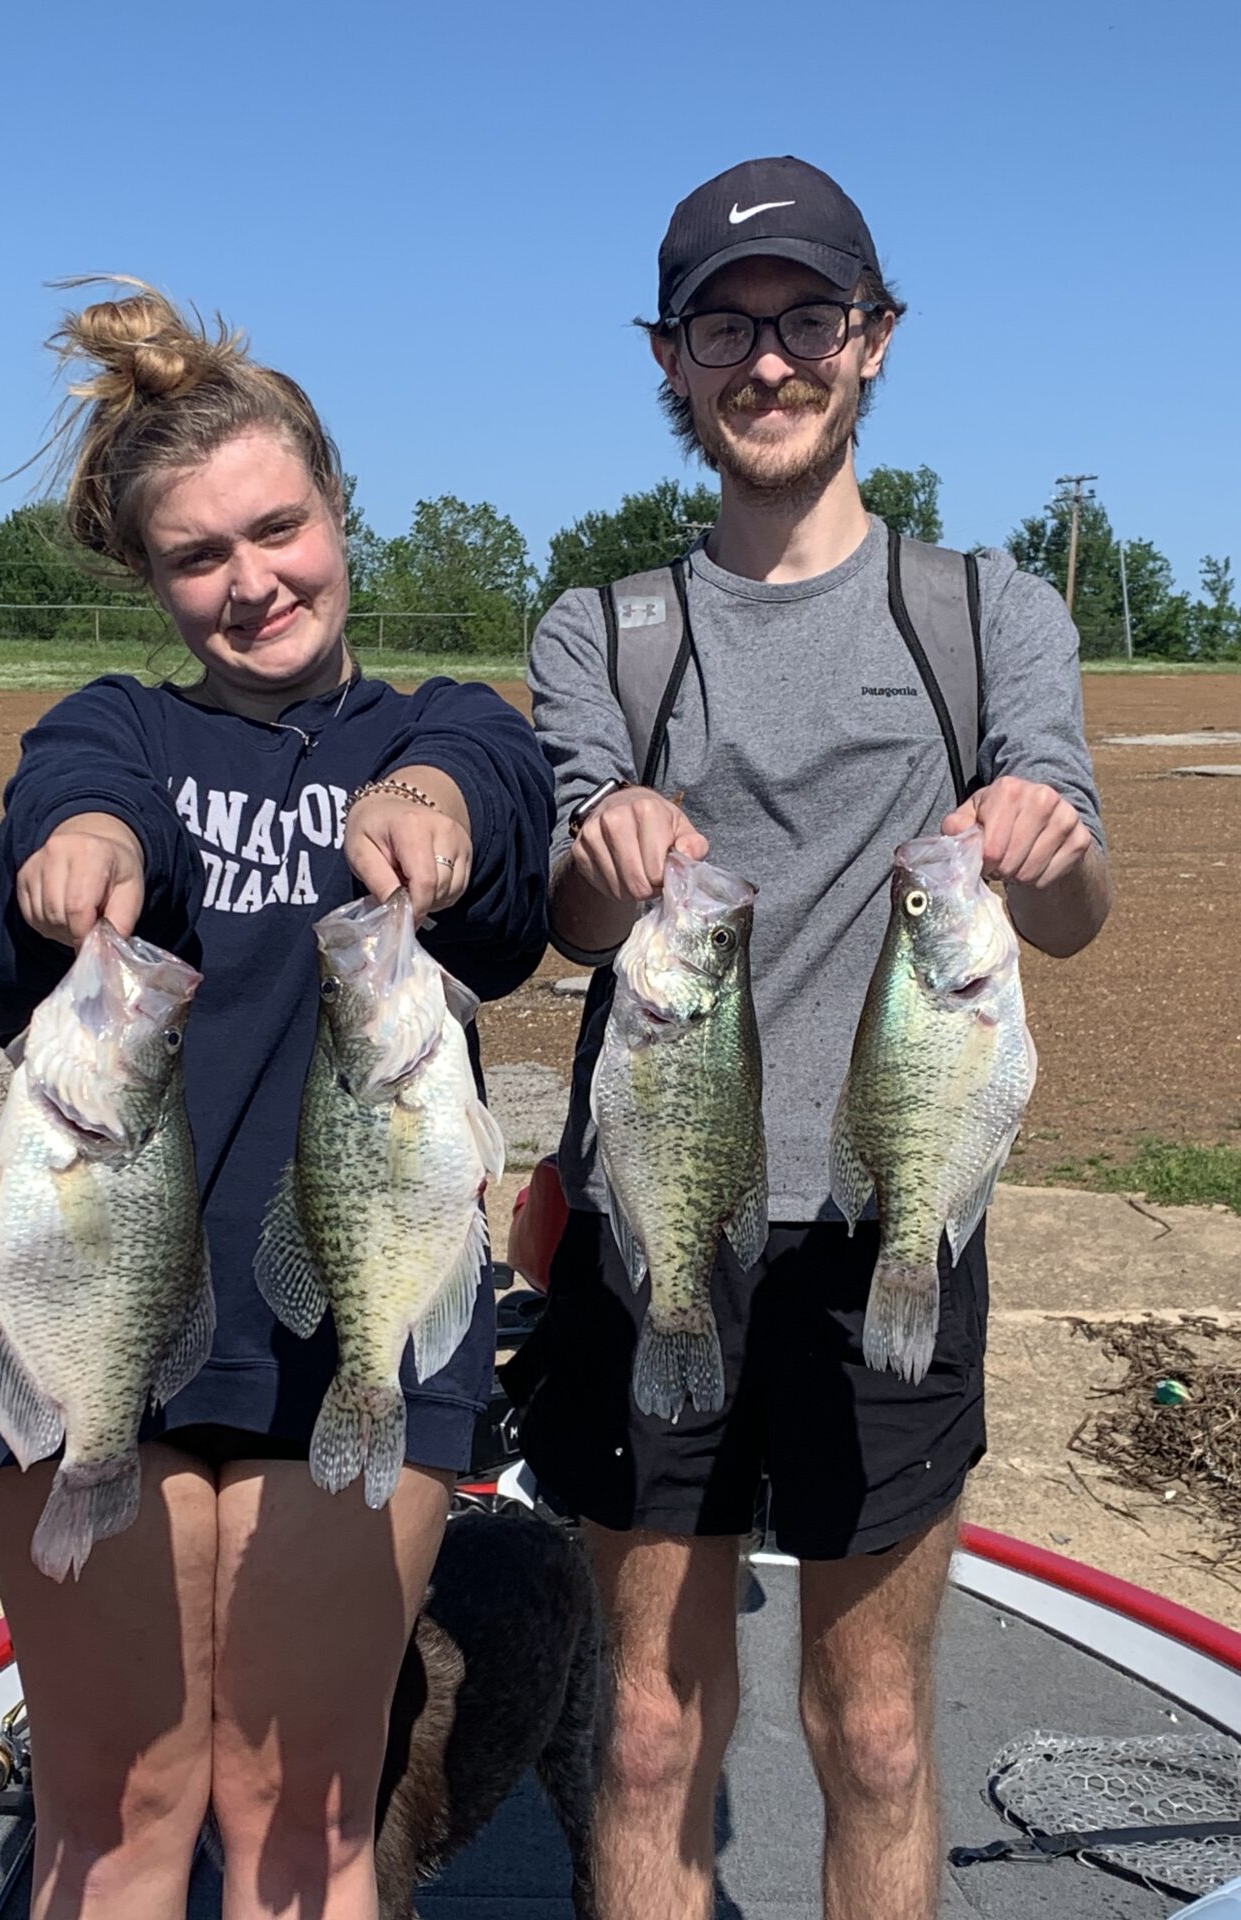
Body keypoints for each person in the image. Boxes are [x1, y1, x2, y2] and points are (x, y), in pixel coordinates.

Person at [509, 157, 1111, 1920]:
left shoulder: (989, 612)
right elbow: (562, 920)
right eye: (724, 326)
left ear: (874, 342)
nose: (767, 362)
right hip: (656, 1228)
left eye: (805, 321)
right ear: (671, 360)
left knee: (877, 1739)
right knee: (641, 1735)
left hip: (892, 1225)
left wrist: (1054, 852)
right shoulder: (602, 633)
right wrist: (605, 867)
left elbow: (1068, 923)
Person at [0, 282, 554, 1920]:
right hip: (97, 1309)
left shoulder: (443, 721)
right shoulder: (116, 725)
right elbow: (79, 790)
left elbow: (495, 786)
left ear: (337, 509)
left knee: (303, 1815)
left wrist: (428, 801)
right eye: (198, 558)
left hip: (348, 1311)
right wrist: (85, 850)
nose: (252, 580)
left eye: (278, 528)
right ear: (151, 580)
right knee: (117, 1812)